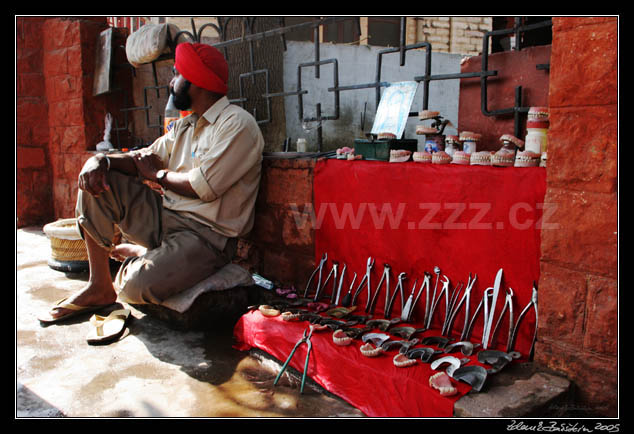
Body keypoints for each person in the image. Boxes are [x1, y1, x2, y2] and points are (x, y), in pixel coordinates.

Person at [39, 42, 265, 323]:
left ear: (196, 81)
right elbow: (142, 158)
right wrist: (101, 161)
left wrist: (157, 176)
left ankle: (146, 255)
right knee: (97, 181)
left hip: (206, 237)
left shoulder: (237, 125)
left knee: (135, 287)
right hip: (166, 216)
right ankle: (99, 286)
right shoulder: (186, 125)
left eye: (177, 74)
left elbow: (204, 187)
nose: (172, 82)